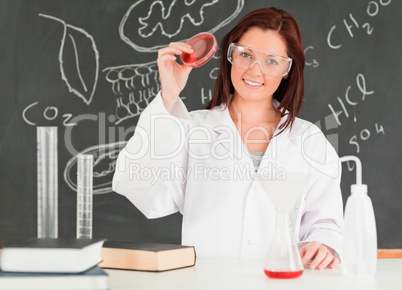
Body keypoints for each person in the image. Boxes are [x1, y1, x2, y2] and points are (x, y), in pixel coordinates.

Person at [112, 7, 343, 270]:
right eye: (245, 55)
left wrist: (323, 246)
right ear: (230, 56)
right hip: (208, 282)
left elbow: (325, 224)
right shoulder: (193, 130)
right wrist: (168, 96)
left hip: (281, 282)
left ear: (288, 69)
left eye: (271, 61)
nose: (255, 71)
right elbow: (141, 189)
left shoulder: (308, 140)